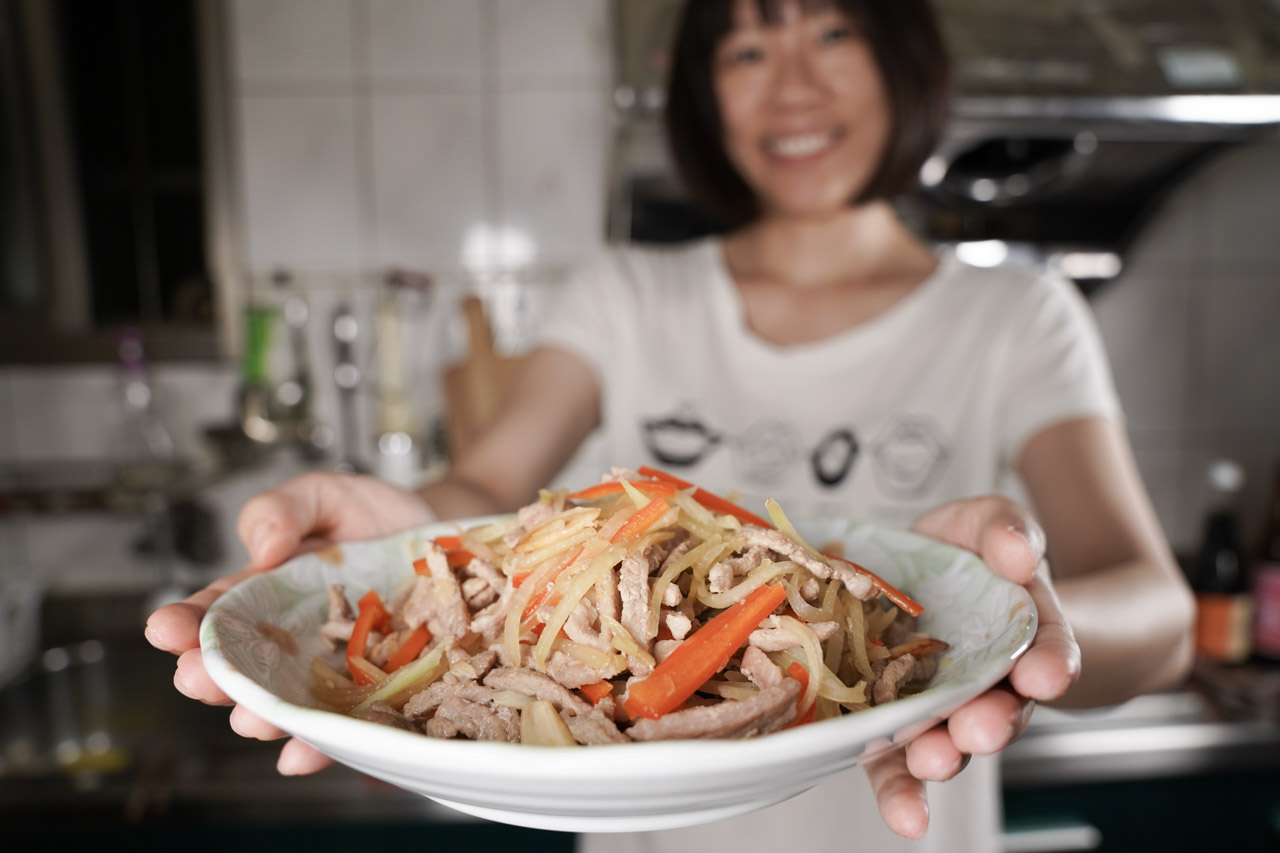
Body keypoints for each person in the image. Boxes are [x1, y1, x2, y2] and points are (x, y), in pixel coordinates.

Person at [145, 0, 1196, 850]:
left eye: (830, 32)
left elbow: (1157, 613)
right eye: (746, 46)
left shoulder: (1010, 313)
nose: (791, 85)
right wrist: (394, 526)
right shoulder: (622, 295)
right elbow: (479, 494)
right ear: (705, 94)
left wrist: (1003, 625)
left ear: (902, 58)